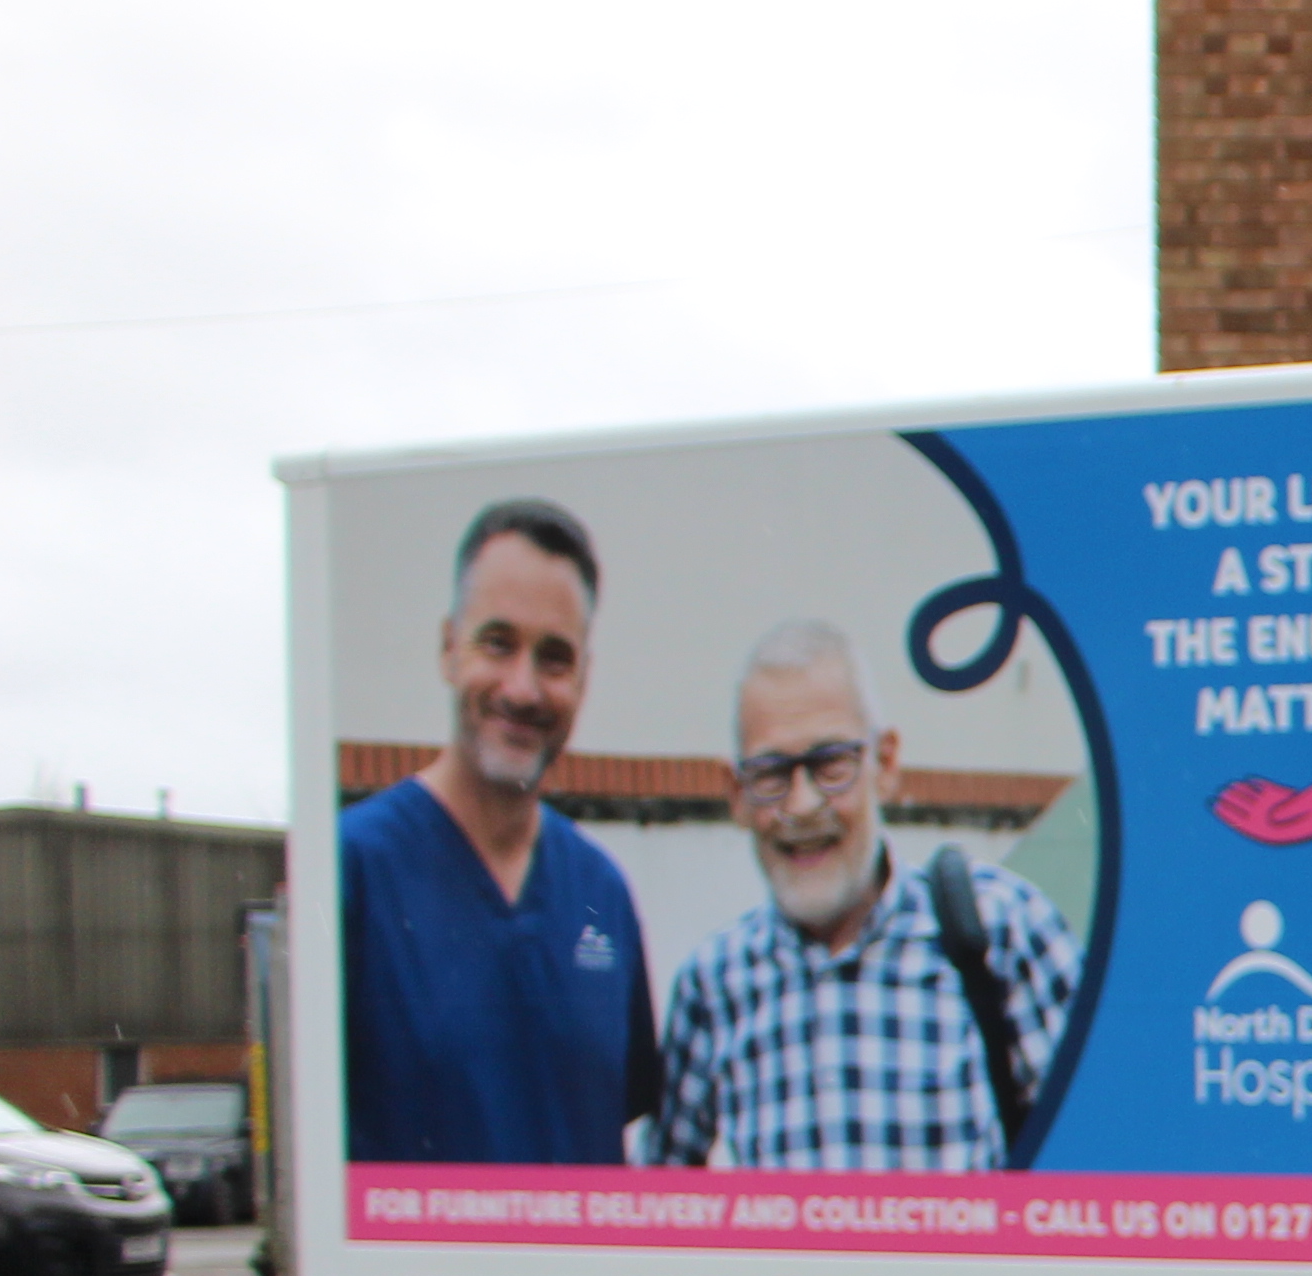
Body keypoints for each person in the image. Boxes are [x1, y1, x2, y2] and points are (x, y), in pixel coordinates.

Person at [650, 621, 1081, 1170]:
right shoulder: (715, 987)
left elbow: (1106, 1153)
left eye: (831, 765)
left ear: (886, 763)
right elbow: (660, 1208)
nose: (803, 805)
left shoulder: (1005, 932)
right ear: (736, 795)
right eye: (771, 774)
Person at [336, 497, 656, 1167]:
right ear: (449, 648)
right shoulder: (352, 871)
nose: (523, 688)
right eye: (498, 643)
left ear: (585, 678)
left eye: (555, 658)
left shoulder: (601, 892)